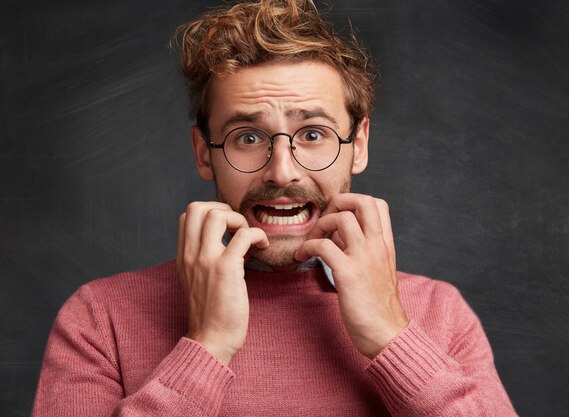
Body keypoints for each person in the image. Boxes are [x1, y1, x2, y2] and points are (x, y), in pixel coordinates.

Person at [32, 0, 518, 415]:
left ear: (359, 144)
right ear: (205, 152)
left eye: (312, 134)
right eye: (247, 137)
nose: (282, 172)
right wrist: (207, 347)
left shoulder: (440, 313)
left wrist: (393, 338)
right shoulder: (100, 318)